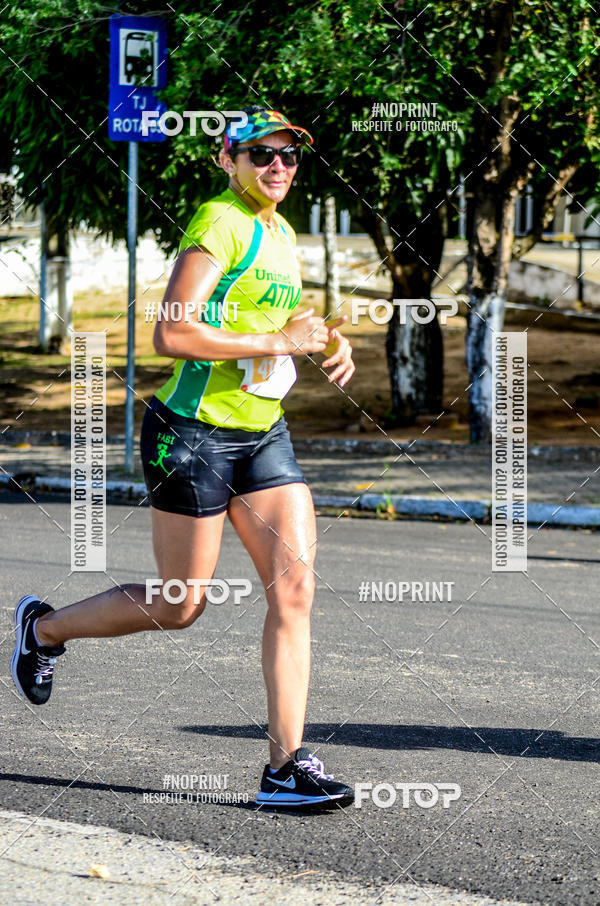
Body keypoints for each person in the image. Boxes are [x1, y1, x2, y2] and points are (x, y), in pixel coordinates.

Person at [11, 106, 356, 810]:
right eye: (261, 154)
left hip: (263, 433)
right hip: (191, 434)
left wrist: (321, 337)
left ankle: (285, 767)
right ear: (229, 159)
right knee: (180, 605)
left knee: (294, 590)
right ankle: (43, 630)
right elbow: (173, 333)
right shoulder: (219, 221)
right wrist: (278, 343)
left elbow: (273, 321)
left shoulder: (281, 231)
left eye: (290, 156)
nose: (278, 167)